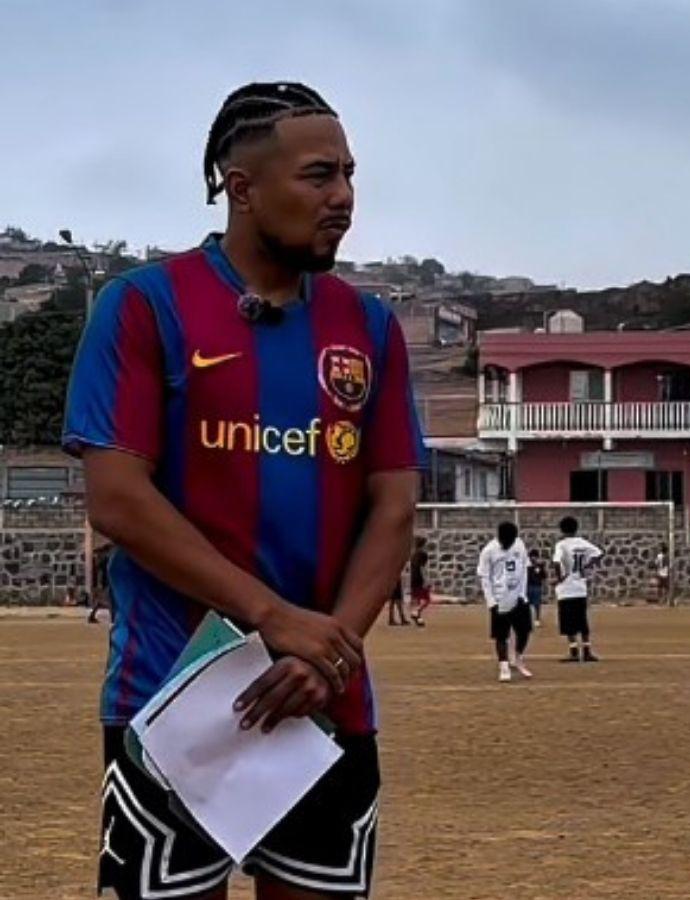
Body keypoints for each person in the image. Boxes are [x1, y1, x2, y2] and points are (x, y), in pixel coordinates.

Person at [63, 81, 425, 900]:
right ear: (242, 186)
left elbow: (393, 508)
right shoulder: (145, 306)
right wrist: (274, 620)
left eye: (350, 176)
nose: (343, 199)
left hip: (324, 702)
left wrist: (328, 647)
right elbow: (119, 500)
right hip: (173, 698)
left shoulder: (368, 327)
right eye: (318, 176)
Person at [478, 521, 533, 682]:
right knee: (501, 635)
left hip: (518, 596)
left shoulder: (520, 545)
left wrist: (523, 594)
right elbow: (485, 577)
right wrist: (491, 602)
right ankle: (503, 665)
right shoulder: (489, 551)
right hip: (500, 598)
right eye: (504, 541)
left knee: (524, 631)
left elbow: (524, 569)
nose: (507, 544)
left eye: (510, 541)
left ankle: (517, 658)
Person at [552, 516, 603, 662]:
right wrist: (587, 566)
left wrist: (559, 577)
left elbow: (556, 562)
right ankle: (587, 650)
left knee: (568, 622)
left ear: (561, 529)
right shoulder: (583, 543)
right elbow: (599, 553)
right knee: (582, 620)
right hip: (580, 587)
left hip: (566, 589)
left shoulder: (561, 545)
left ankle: (574, 651)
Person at [409, 535, 431, 627]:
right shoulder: (423, 554)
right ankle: (416, 612)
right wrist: (426, 580)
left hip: (413, 578)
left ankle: (418, 619)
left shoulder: (413, 554)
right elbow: (422, 568)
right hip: (420, 579)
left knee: (417, 599)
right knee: (426, 600)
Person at [526, 547, 547, 626]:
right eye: (532, 556)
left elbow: (544, 576)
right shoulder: (527, 566)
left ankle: (537, 619)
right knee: (526, 604)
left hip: (537, 587)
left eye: (535, 556)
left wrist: (541, 567)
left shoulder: (540, 566)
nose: (533, 558)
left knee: (537, 604)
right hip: (527, 587)